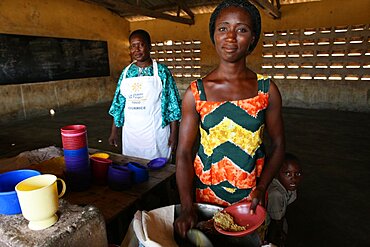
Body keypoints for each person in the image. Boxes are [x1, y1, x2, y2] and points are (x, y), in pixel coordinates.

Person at [174, 0, 285, 244]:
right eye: (223, 28)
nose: (231, 37)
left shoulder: (266, 90)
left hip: (251, 200)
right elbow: (183, 152)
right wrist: (187, 206)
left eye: (242, 29)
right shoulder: (196, 93)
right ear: (213, 35)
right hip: (206, 198)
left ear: (253, 38)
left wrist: (262, 187)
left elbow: (278, 145)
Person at [108, 29, 182, 160]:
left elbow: (173, 105)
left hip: (156, 132)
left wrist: (174, 134)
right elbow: (119, 104)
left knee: (158, 168)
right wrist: (114, 132)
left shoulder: (161, 71)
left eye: (141, 44)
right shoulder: (126, 72)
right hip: (131, 133)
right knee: (133, 165)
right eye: (133, 46)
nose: (137, 49)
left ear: (149, 46)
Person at [265, 153, 303, 247]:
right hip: (271, 224)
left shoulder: (289, 185)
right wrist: (280, 232)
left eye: (297, 174)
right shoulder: (276, 194)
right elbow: (276, 221)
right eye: (287, 174)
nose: (293, 179)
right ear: (277, 174)